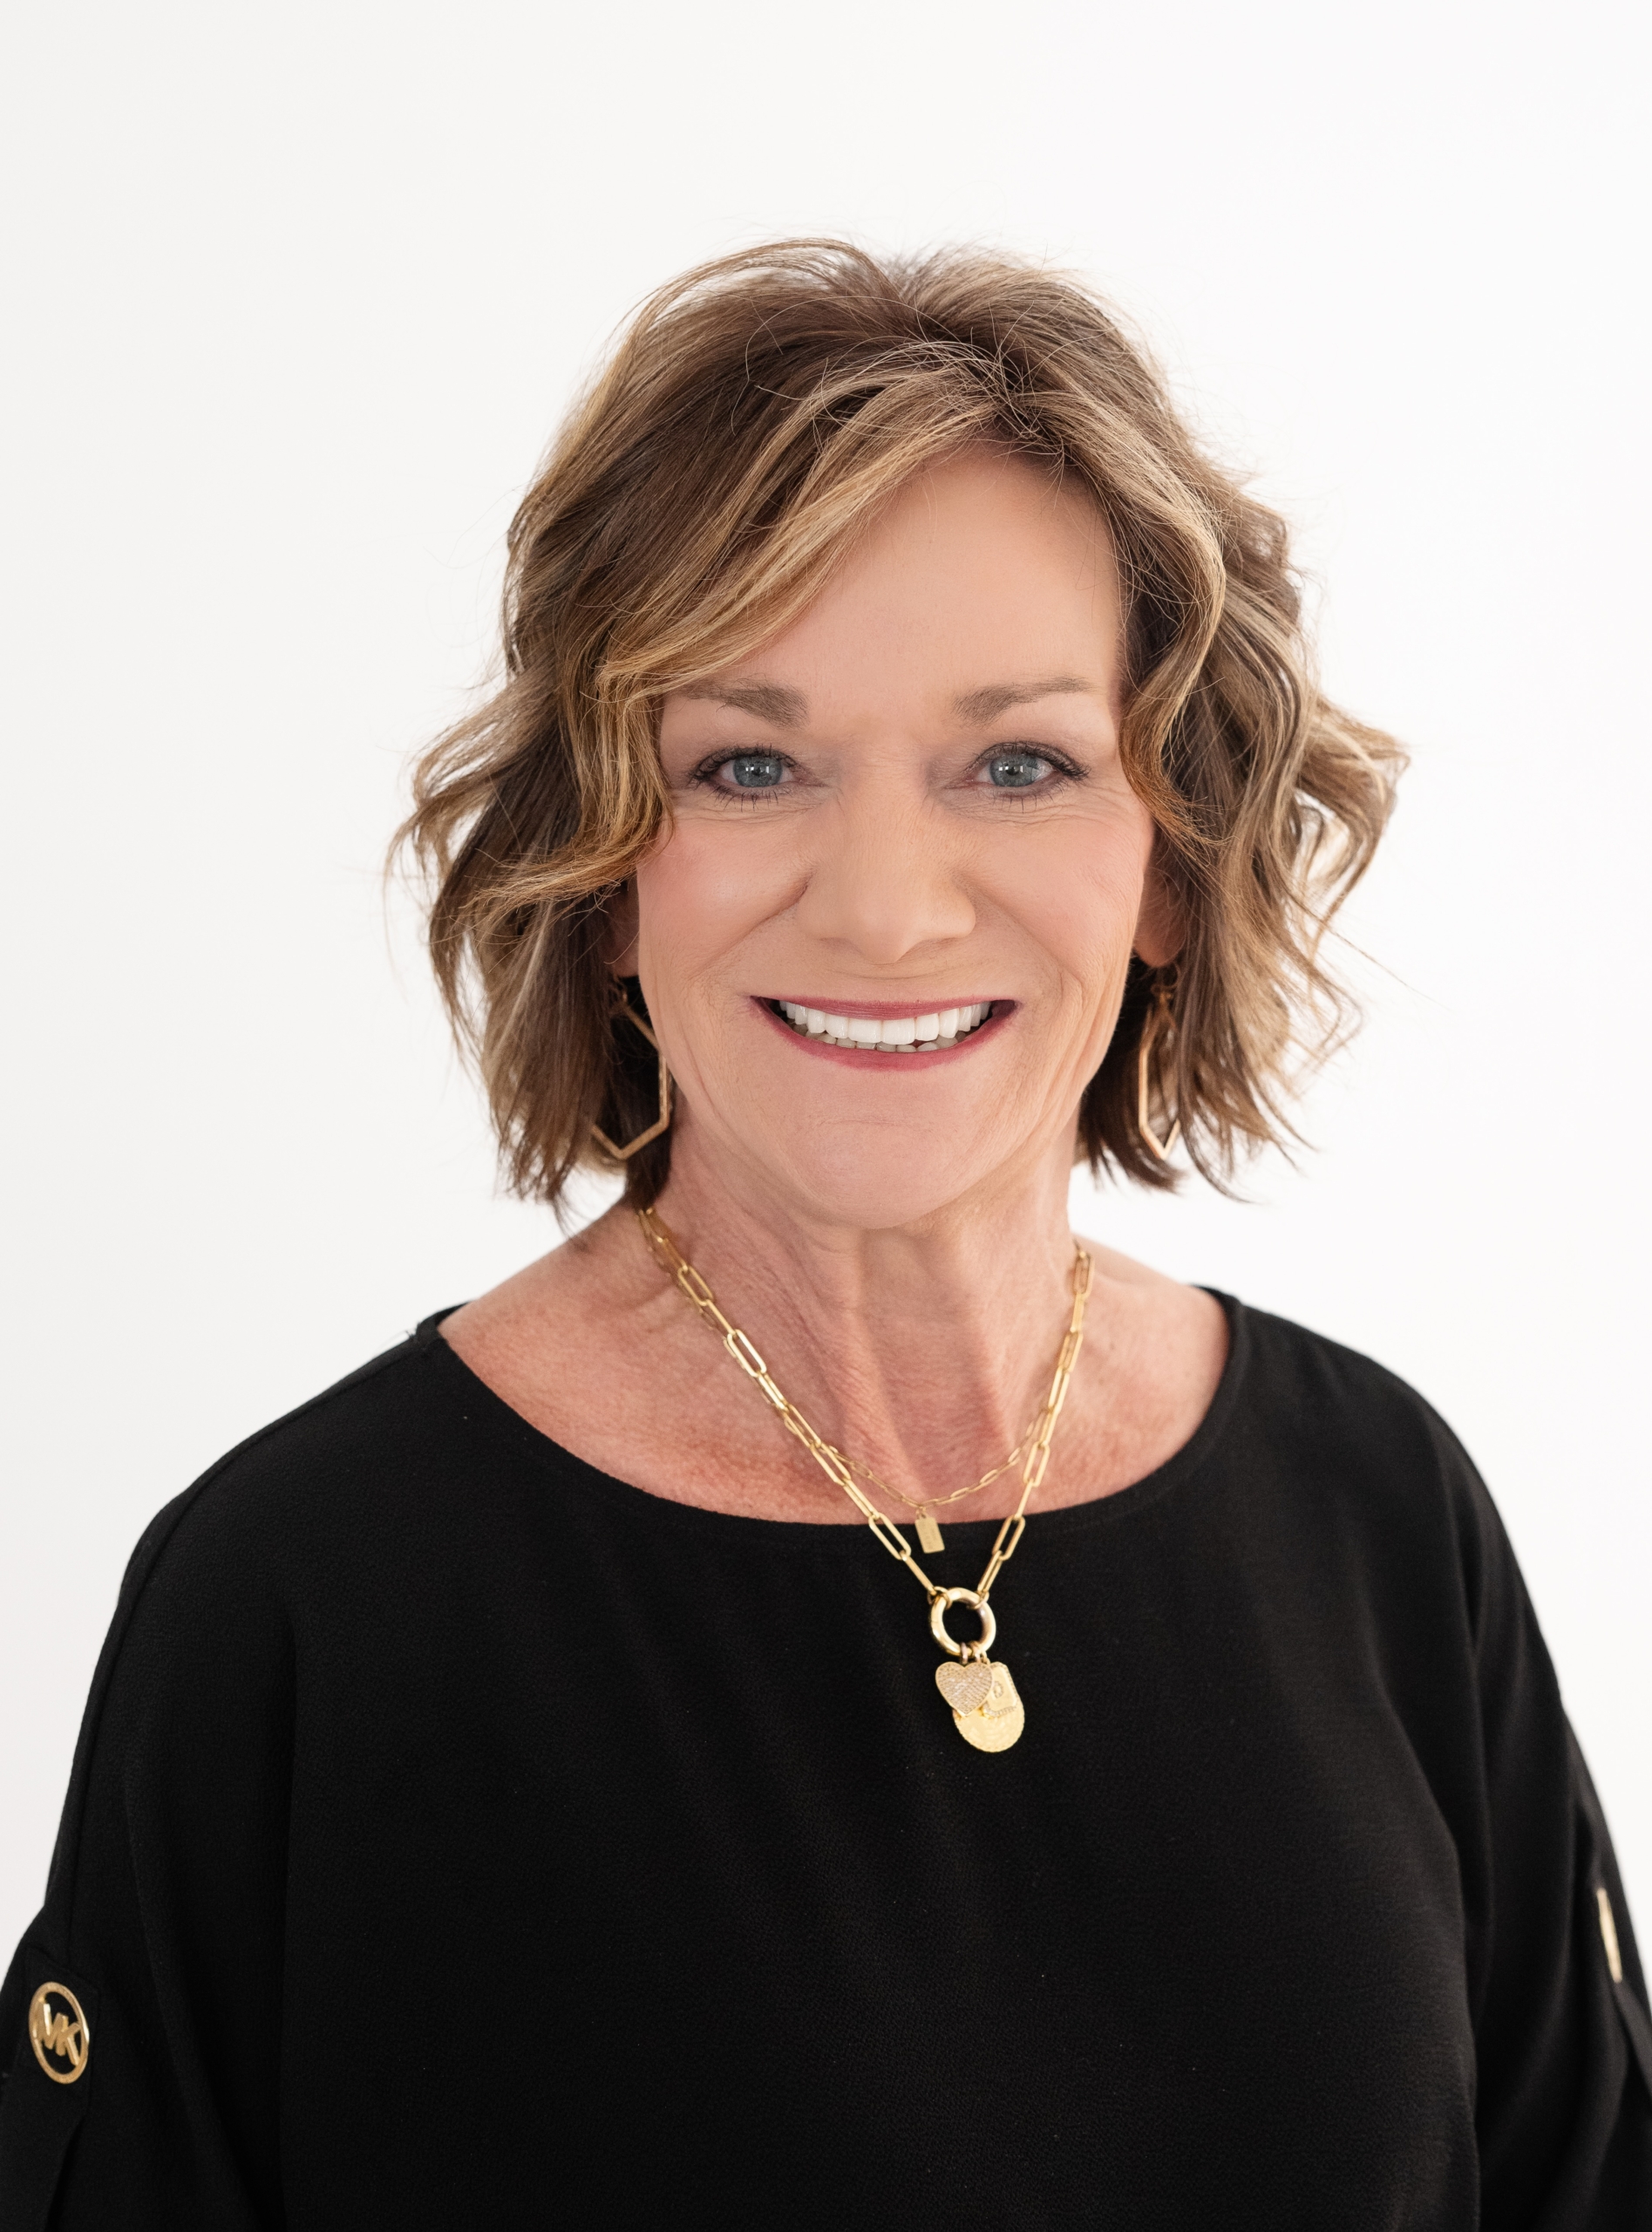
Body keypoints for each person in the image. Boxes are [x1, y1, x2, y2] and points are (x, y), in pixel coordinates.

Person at [2, 242, 1647, 2231]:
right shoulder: (303, 1597)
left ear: (1169, 861)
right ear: (606, 870)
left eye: (1020, 763)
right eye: (750, 765)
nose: (884, 906)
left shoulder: (1380, 1513)